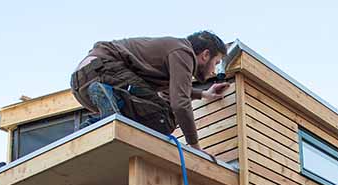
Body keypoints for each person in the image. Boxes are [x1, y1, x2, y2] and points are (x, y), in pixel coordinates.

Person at [70, 31, 231, 150]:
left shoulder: (175, 53)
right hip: (104, 70)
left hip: (83, 83)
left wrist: (203, 94)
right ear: (205, 55)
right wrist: (195, 146)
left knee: (151, 109)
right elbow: (179, 104)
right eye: (216, 63)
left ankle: (96, 122)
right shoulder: (183, 52)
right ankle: (112, 97)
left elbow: (171, 92)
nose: (214, 72)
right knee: (165, 117)